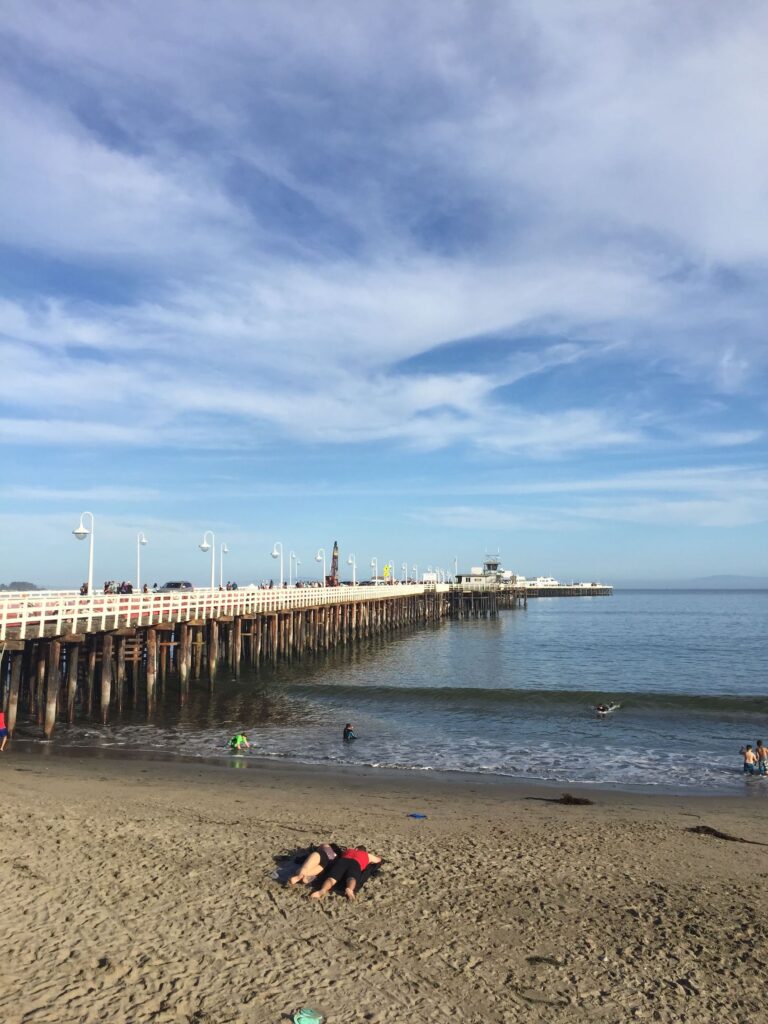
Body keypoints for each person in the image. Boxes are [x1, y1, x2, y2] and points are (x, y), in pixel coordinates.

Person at [310, 846, 382, 901]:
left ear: (356, 848)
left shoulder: (349, 850)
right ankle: (349, 889)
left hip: (343, 861)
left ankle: (322, 890)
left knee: (332, 878)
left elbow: (341, 853)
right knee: (351, 877)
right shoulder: (367, 855)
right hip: (356, 863)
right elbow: (378, 860)